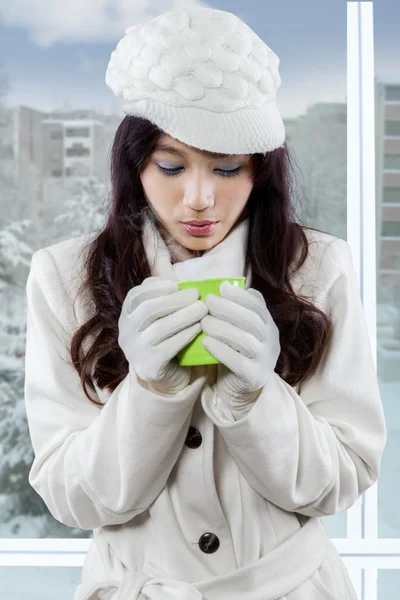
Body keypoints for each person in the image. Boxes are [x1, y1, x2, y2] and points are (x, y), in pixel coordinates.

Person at [23, 6, 387, 600]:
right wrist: (150, 396)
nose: (198, 198)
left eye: (227, 168)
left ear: (260, 171)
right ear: (132, 163)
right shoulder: (65, 278)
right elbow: (73, 498)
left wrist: (257, 398)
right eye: (171, 165)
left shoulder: (318, 268)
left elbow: (343, 479)